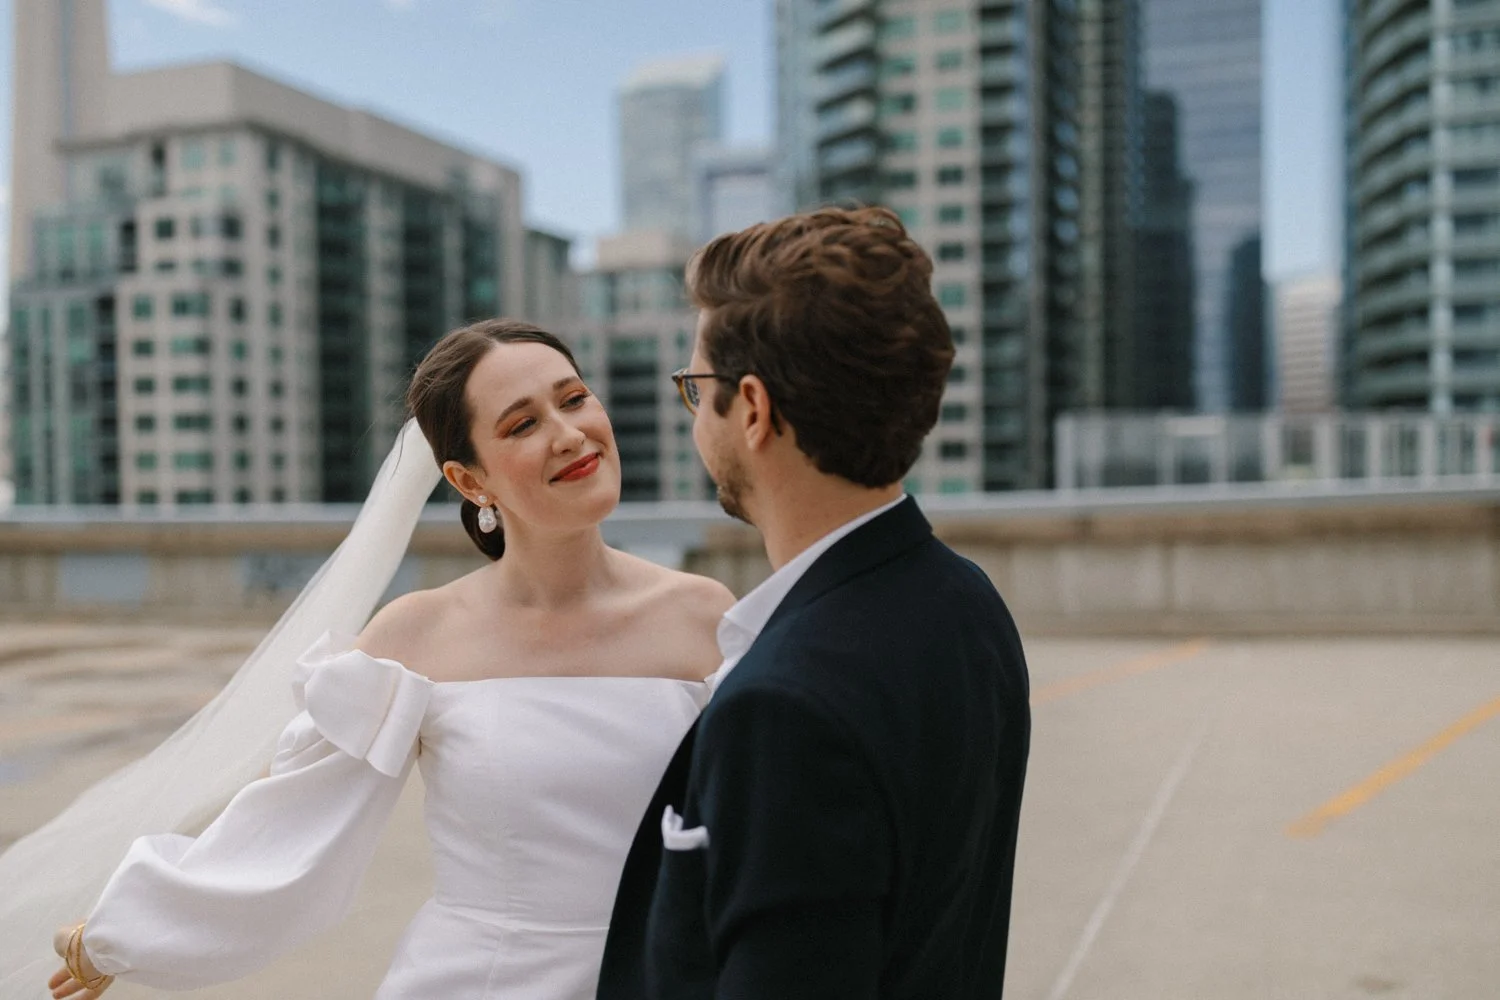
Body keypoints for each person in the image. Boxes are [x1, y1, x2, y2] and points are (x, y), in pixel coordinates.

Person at [38, 319, 734, 1000]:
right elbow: (289, 819)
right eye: (523, 424)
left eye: (574, 398)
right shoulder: (415, 638)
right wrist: (123, 931)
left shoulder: (704, 617)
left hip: (673, 971)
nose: (570, 434)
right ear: (469, 481)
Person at [597, 207, 1032, 999]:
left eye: (698, 389)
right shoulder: (966, 602)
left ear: (754, 410)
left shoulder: (784, 709)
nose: (693, 414)